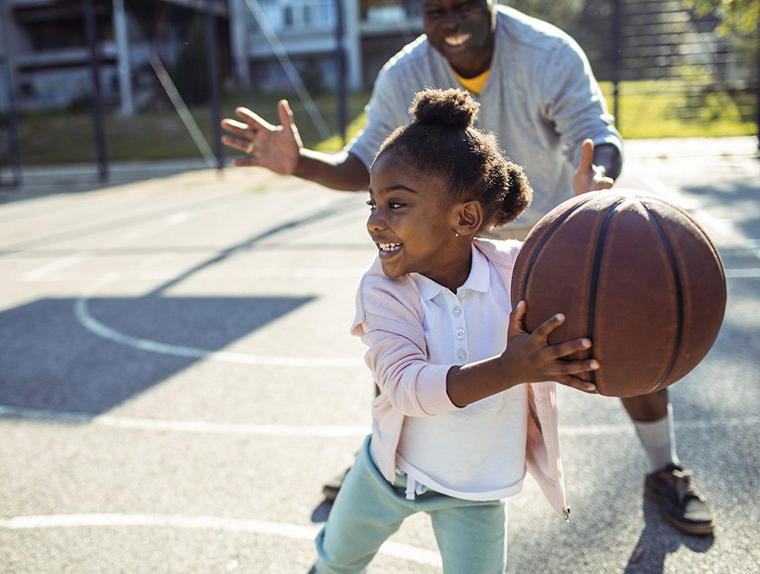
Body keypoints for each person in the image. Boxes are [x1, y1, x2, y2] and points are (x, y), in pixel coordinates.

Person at [221, 0, 713, 536]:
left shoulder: (547, 52)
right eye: (435, 11)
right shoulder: (404, 72)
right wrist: (300, 162)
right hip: (436, 239)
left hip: (543, 238)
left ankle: (663, 466)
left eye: (461, 8)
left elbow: (595, 132)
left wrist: (595, 179)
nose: (449, 21)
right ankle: (383, 460)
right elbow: (362, 162)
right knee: (403, 344)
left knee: (619, 327)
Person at [312, 87, 599, 574]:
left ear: (465, 218)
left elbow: (578, 276)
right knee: (335, 561)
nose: (376, 222)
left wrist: (591, 220)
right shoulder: (383, 289)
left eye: (395, 205)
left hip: (476, 489)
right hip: (389, 473)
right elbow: (404, 387)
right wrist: (510, 369)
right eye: (372, 205)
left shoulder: (515, 273)